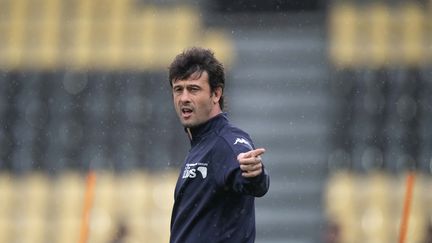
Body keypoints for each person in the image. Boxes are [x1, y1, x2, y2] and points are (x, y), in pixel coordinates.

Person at [168, 47, 270, 243]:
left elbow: (252, 179)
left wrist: (255, 174)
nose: (184, 98)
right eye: (178, 89)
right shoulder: (200, 146)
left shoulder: (228, 141)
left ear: (216, 94)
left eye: (193, 89)